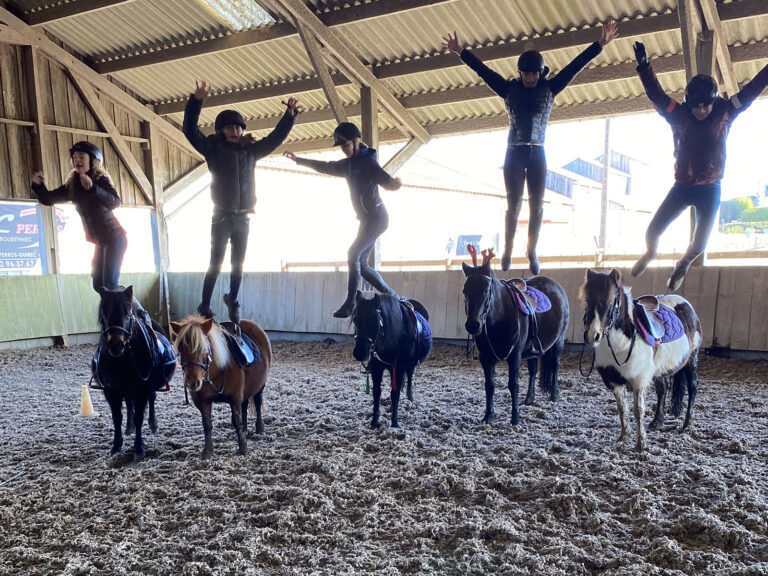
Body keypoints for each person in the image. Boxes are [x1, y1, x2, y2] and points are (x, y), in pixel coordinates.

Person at [442, 21, 619, 273]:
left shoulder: (550, 88)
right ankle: (507, 250)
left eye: (534, 74)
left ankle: (531, 250)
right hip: (514, 152)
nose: (530, 78)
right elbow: (483, 71)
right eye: (526, 74)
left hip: (538, 152)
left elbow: (574, 67)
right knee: (514, 204)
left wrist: (599, 45)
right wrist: (461, 52)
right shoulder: (507, 89)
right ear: (520, 74)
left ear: (540, 73)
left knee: (537, 204)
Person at [630, 42, 768, 290]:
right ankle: (651, 253)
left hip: (711, 188)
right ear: (689, 104)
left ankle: (683, 264)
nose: (702, 111)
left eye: (706, 106)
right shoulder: (678, 113)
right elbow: (657, 95)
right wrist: (644, 66)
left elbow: (751, 90)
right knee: (652, 232)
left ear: (714, 101)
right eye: (696, 107)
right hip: (682, 186)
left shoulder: (726, 110)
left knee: (701, 242)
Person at [183, 81, 299, 324]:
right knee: (215, 263)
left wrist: (289, 116)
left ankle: (233, 301)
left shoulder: (251, 151)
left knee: (238, 265)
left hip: (244, 217)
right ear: (220, 131)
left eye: (238, 127)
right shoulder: (212, 149)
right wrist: (196, 101)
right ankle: (204, 304)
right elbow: (190, 130)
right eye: (230, 127)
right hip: (221, 216)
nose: (235, 131)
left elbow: (275, 138)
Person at [283, 122, 402, 318]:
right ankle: (392, 295)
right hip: (366, 220)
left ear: (356, 141)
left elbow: (386, 181)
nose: (344, 150)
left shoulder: (369, 162)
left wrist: (395, 184)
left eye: (346, 145)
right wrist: (299, 160)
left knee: (352, 254)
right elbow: (325, 166)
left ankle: (349, 302)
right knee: (362, 265)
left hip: (378, 218)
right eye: (342, 146)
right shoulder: (347, 165)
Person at [31, 141, 127, 293]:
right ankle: (113, 313)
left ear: (93, 160)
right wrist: (38, 186)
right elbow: (48, 199)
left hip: (115, 238)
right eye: (74, 157)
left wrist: (93, 188)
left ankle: (140, 313)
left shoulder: (100, 179)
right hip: (100, 241)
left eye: (82, 156)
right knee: (98, 285)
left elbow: (115, 202)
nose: (77, 160)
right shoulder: (72, 185)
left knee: (110, 285)